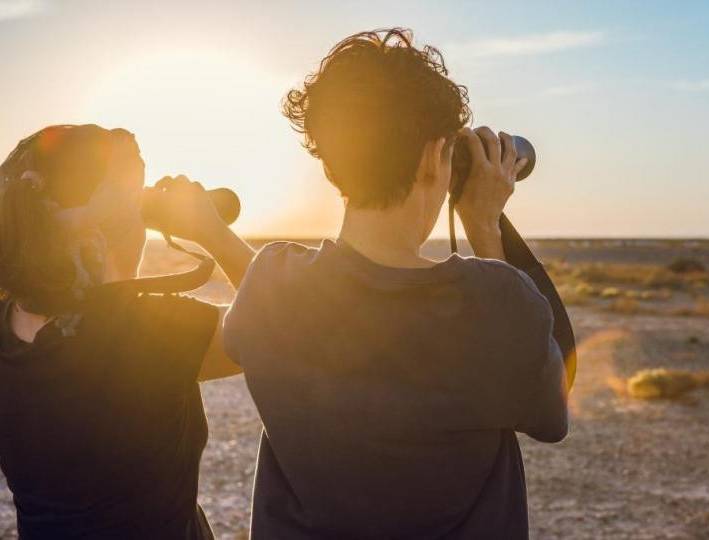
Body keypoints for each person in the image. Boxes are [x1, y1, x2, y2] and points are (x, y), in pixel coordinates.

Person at [224, 28, 574, 539]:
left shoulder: (272, 283)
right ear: (437, 155)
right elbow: (551, 414)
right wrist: (485, 226)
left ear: (329, 164)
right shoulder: (497, 297)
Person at [0, 124, 254, 539]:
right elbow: (288, 323)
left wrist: (65, 223)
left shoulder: (8, 329)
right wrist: (211, 231)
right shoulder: (151, 335)